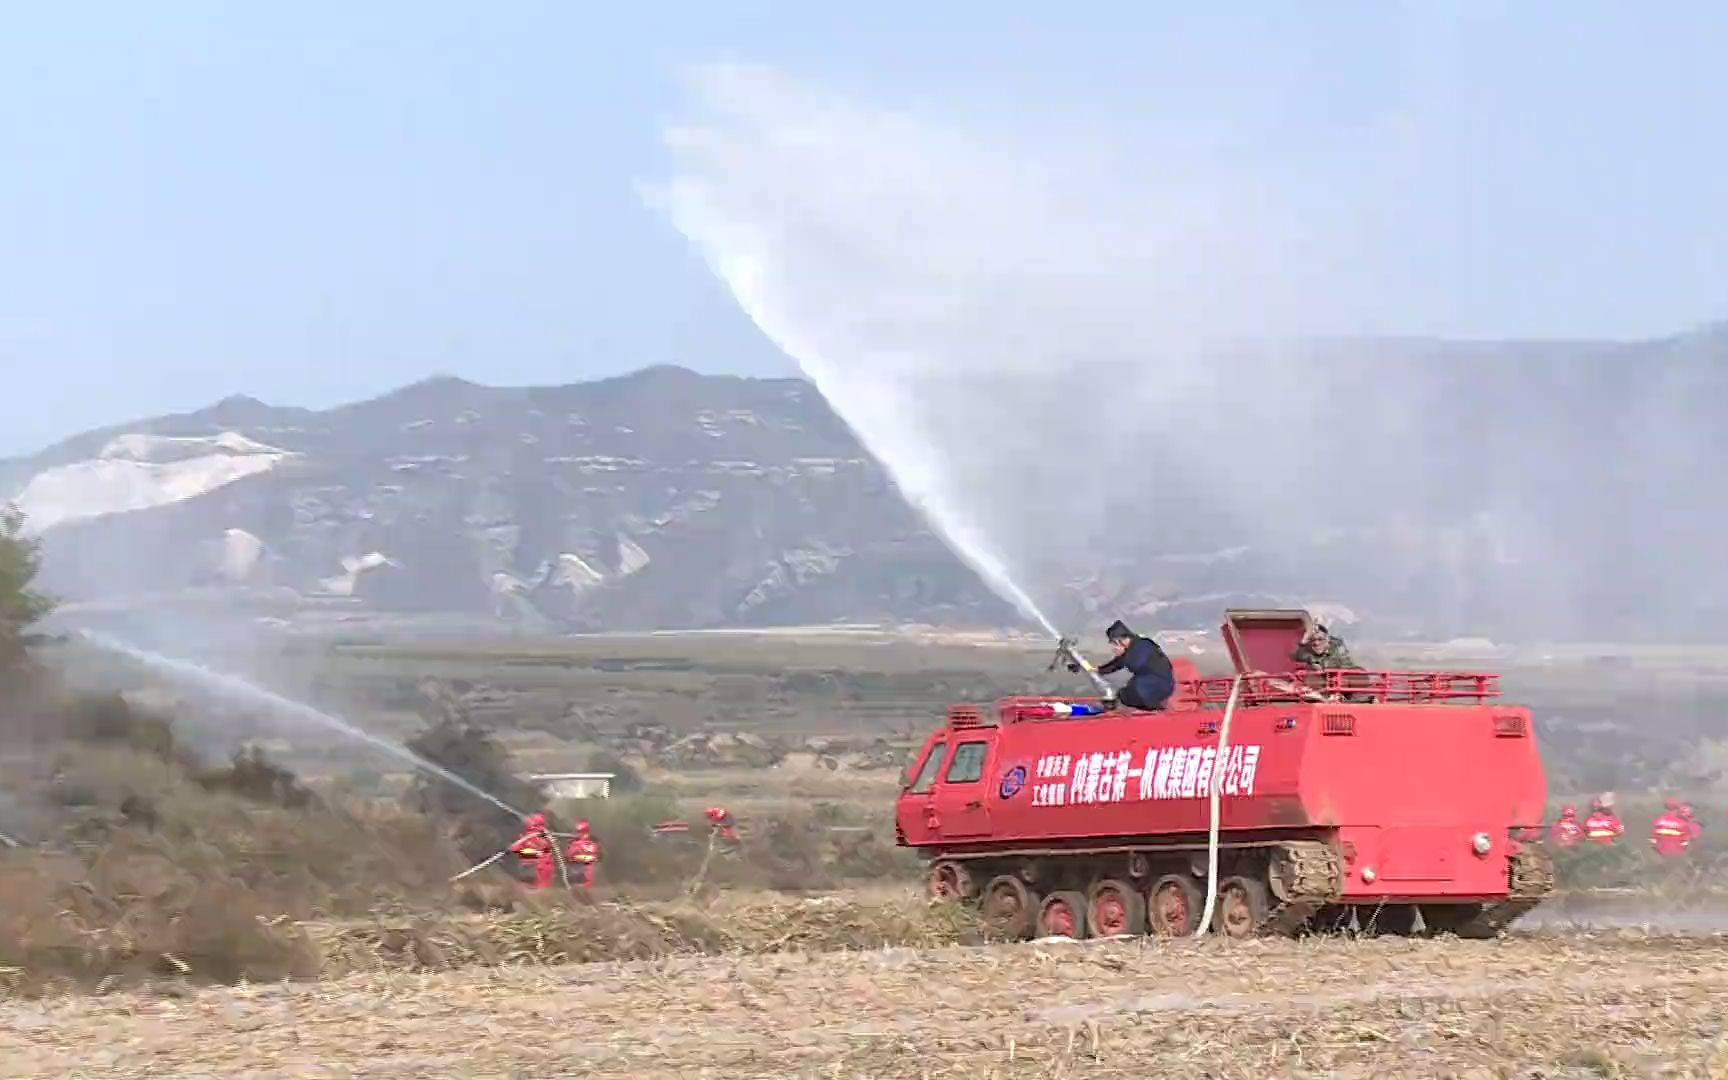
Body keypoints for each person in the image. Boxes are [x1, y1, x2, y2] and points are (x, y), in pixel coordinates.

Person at [1091, 620, 1175, 711]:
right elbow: (1117, 664)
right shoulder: (1131, 649)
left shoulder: (1143, 645)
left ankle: (1155, 708)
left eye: (1114, 643)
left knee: (1131, 691)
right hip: (1147, 683)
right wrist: (1100, 670)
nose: (1114, 646)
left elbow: (1136, 663)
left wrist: (1123, 655)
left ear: (1120, 641)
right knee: (1124, 694)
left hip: (1159, 683)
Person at [510, 812, 557, 890]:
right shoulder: (547, 837)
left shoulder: (527, 836)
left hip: (530, 868)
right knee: (541, 889)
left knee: (526, 889)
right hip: (541, 869)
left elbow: (514, 849)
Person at [1290, 623, 1359, 671]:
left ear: (1327, 640)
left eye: (1320, 639)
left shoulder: (1337, 648)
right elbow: (1294, 656)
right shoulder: (1307, 649)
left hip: (1335, 685)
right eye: (1313, 640)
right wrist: (1303, 642)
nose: (1316, 643)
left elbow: (1347, 666)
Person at [564, 819, 601, 888]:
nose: (579, 834)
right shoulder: (574, 843)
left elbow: (568, 856)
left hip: (584, 871)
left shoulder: (589, 843)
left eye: (580, 833)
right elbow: (567, 857)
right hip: (576, 870)